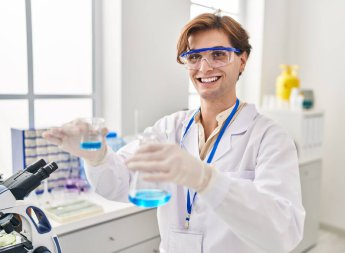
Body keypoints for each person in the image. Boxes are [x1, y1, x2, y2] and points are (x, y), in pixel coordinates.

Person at [43, 13, 305, 253]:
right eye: (194, 57)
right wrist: (97, 155)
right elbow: (120, 182)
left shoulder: (270, 137)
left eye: (218, 55)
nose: (204, 68)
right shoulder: (169, 128)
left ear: (242, 60)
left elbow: (283, 233)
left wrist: (207, 179)